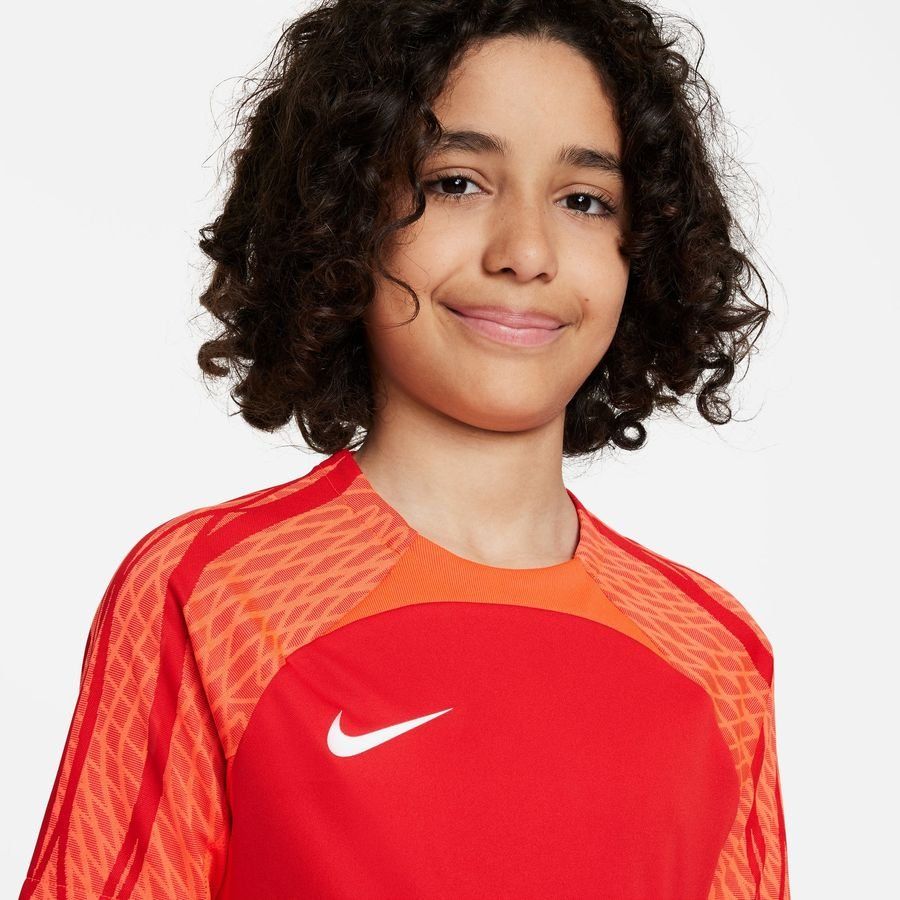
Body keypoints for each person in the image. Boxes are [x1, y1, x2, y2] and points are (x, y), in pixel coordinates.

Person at [19, 1, 790, 898]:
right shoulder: (216, 593)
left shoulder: (713, 652)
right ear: (346, 215)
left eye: (585, 201)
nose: (526, 252)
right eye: (457, 182)